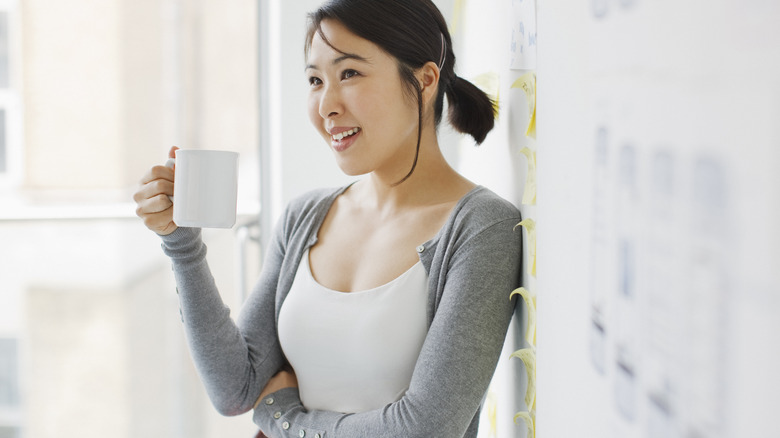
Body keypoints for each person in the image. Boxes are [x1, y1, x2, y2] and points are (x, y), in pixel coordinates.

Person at [133, 0, 522, 436]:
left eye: (349, 73)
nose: (326, 106)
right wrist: (181, 242)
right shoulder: (307, 216)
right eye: (315, 80)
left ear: (424, 79)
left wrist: (282, 417)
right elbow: (235, 387)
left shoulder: (481, 228)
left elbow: (422, 428)